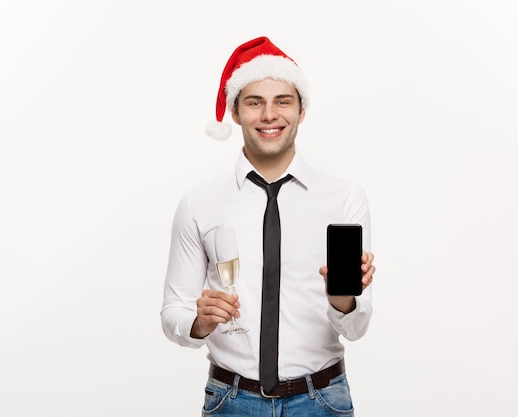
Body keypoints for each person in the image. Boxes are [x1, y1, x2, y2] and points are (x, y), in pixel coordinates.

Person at [161, 36, 376, 416]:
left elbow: (356, 328)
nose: (269, 115)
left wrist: (341, 298)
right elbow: (172, 313)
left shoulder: (342, 197)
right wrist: (199, 322)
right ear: (235, 113)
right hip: (232, 400)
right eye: (254, 102)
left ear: (301, 111)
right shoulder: (200, 203)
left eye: (282, 101)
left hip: (322, 400)